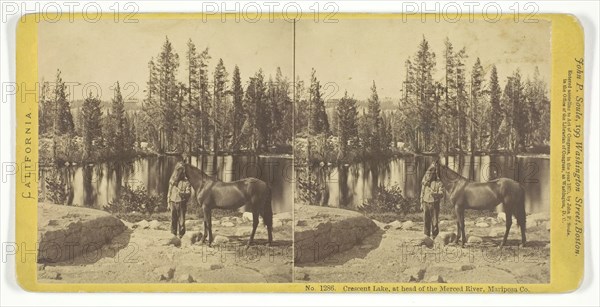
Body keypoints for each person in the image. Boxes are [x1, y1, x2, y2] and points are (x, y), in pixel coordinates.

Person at [420, 168, 444, 238]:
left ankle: (435, 237)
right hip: (425, 202)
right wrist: (421, 203)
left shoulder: (439, 182)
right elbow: (422, 192)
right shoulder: (425, 182)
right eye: (429, 174)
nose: (429, 176)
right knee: (426, 221)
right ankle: (426, 237)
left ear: (434, 175)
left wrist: (435, 194)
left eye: (431, 174)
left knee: (435, 222)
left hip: (434, 204)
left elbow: (442, 193)